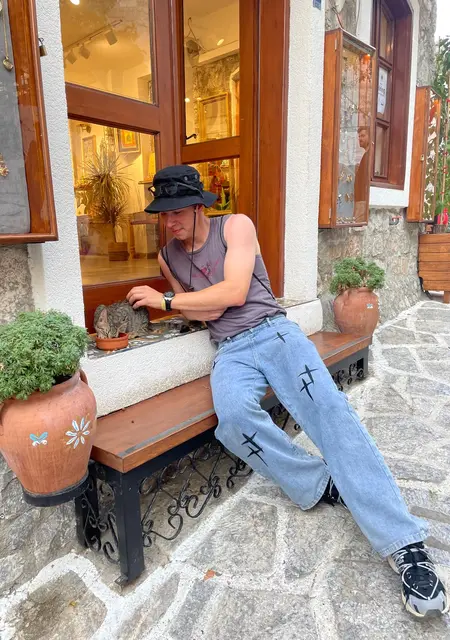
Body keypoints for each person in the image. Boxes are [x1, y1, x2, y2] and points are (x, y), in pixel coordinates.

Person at [127, 165, 447, 618]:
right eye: (163, 214)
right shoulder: (168, 256)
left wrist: (164, 301)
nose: (169, 222)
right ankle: (319, 483)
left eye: (176, 211)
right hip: (230, 350)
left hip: (273, 333)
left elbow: (234, 293)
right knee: (234, 421)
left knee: (329, 414)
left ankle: (405, 545)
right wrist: (181, 303)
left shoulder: (235, 226)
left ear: (199, 206)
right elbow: (203, 313)